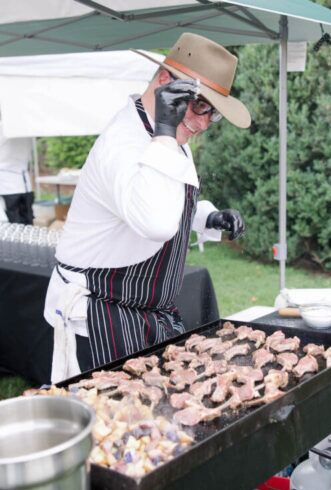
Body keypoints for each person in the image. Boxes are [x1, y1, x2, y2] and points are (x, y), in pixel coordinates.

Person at [44, 33, 251, 383]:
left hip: (146, 312)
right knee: (115, 413)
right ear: (165, 82)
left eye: (212, 113)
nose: (203, 123)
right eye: (200, 106)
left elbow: (163, 197)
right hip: (100, 314)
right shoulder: (125, 142)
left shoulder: (164, 133)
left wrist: (207, 217)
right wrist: (167, 131)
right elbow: (156, 223)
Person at [0, 123, 34, 224]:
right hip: (25, 185)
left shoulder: (3, 128)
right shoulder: (27, 128)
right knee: (27, 224)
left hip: (7, 186)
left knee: (11, 227)